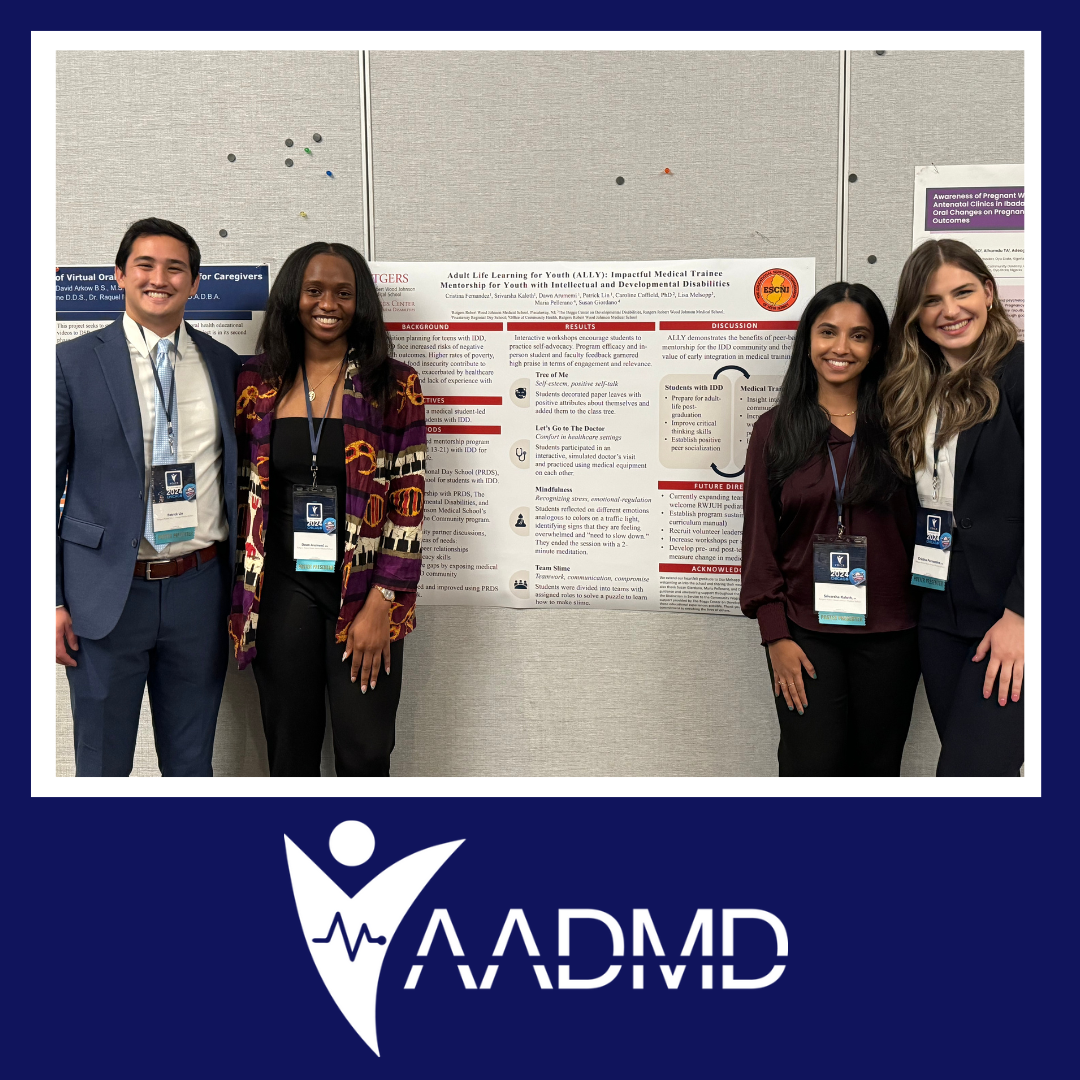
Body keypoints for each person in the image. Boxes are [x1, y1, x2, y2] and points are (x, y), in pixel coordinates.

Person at [229, 242, 425, 776]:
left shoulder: (393, 383)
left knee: (365, 748)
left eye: (344, 292)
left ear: (361, 302)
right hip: (281, 585)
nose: (328, 303)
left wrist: (384, 599)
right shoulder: (256, 382)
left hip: (363, 586)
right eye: (314, 290)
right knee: (290, 746)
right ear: (293, 296)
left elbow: (410, 497)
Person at [56, 218, 241, 775]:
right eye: (145, 264)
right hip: (105, 594)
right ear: (119, 275)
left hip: (200, 590)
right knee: (102, 765)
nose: (159, 278)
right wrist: (49, 600)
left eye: (175, 267)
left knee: (191, 765)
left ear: (195, 283)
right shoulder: (71, 363)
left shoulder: (225, 365)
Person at [740, 282, 920, 776]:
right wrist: (774, 635)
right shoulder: (774, 430)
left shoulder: (904, 426)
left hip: (892, 632)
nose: (841, 347)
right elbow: (759, 543)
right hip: (804, 632)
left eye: (859, 336)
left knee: (876, 771)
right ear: (808, 340)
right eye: (828, 332)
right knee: (809, 767)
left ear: (876, 347)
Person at [880, 240, 1023, 776]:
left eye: (962, 292)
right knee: (976, 773)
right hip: (938, 611)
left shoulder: (1024, 374)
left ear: (989, 291)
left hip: (1008, 614)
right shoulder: (913, 387)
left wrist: (1023, 615)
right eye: (931, 299)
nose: (950, 310)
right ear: (914, 313)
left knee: (969, 774)